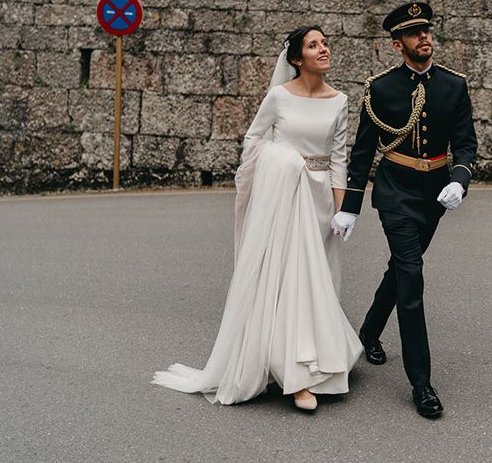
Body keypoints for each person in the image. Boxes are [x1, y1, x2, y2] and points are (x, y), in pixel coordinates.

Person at [153, 26, 362, 411]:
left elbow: (337, 159)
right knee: (287, 284)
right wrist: (283, 161)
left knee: (320, 284)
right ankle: (296, 377)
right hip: (283, 198)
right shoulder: (279, 97)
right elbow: (254, 141)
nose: (323, 49)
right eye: (313, 45)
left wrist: (342, 210)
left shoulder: (340, 100)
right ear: (296, 59)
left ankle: (318, 360)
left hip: (319, 202)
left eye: (325, 43)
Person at [331, 2, 478, 419]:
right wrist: (350, 207)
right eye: (415, 34)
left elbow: (466, 141)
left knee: (400, 269)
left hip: (436, 193)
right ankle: (422, 384)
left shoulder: (454, 85)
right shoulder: (380, 89)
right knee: (412, 279)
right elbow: (361, 153)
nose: (425, 38)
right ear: (399, 44)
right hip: (395, 193)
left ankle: (368, 332)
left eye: (427, 31)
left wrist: (459, 179)